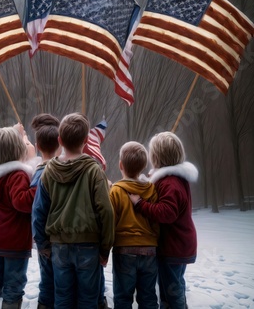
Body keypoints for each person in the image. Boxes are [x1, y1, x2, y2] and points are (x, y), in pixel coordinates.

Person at [32, 112, 115, 309]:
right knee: (88, 300)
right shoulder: (95, 171)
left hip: (59, 249)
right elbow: (107, 212)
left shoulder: (48, 172)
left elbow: (38, 213)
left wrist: (43, 245)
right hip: (89, 247)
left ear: (59, 140)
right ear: (86, 141)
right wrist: (105, 248)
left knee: (62, 300)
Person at [129, 131, 198, 309]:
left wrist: (139, 204)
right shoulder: (172, 180)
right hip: (177, 246)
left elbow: (166, 213)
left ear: (157, 156)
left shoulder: (171, 183)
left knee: (172, 292)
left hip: (173, 248)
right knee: (171, 288)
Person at [0, 126, 39, 309]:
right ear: (17, 151)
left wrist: (16, 134)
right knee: (13, 285)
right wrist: (37, 186)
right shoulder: (17, 175)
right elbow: (22, 202)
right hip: (13, 241)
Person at [110, 141, 159, 309]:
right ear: (144, 166)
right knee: (148, 297)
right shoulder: (152, 190)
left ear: (120, 165)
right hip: (149, 250)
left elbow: (111, 221)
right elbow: (156, 220)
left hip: (124, 251)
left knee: (123, 298)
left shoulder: (116, 190)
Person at [30, 114, 61, 309]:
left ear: (37, 146)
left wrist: (41, 243)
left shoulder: (39, 176)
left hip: (48, 241)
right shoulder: (65, 171)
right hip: (64, 239)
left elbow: (37, 213)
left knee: (48, 283)